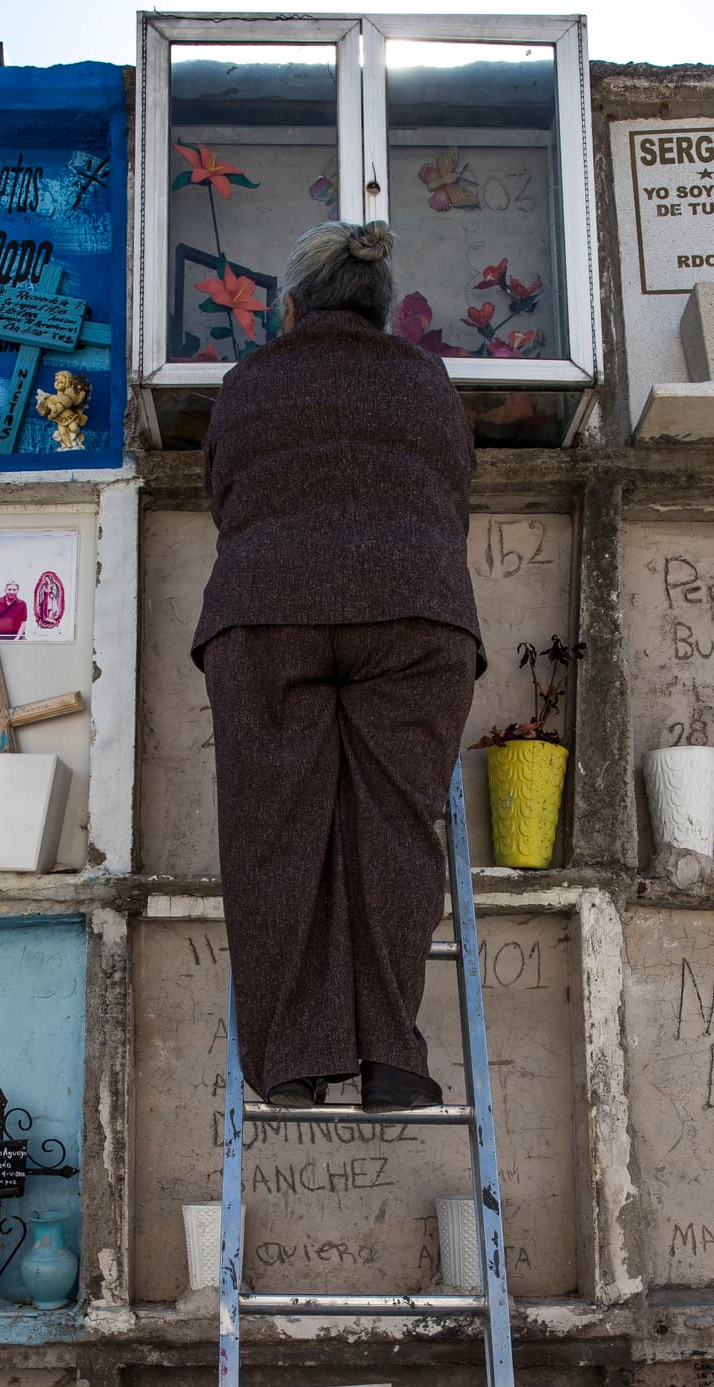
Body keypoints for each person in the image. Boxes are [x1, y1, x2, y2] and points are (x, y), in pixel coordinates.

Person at [192, 219, 485, 1111]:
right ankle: (393, 1059)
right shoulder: (426, 379)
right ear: (381, 307)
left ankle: (290, 1063)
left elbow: (222, 493)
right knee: (397, 829)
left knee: (273, 832)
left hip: (268, 610)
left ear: (288, 306)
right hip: (414, 610)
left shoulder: (249, 382)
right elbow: (456, 487)